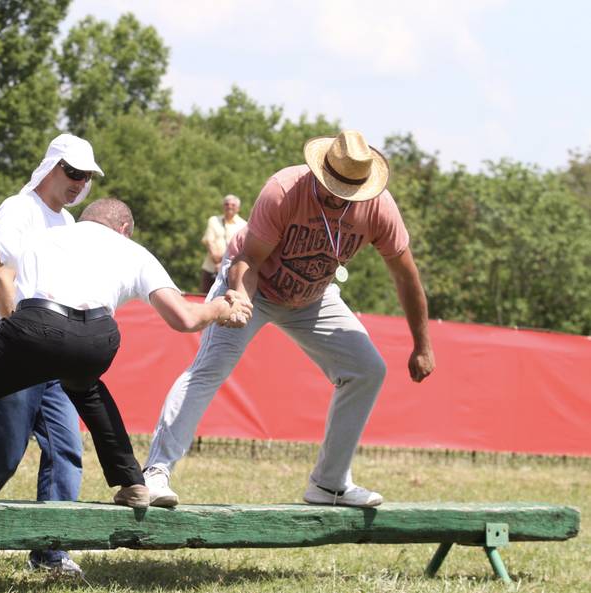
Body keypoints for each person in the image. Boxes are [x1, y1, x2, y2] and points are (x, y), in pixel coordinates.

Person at [0, 198, 252, 514]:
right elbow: (185, 319)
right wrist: (222, 308)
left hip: (37, 328)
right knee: (87, 388)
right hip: (99, 339)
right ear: (124, 229)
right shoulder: (135, 252)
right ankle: (132, 483)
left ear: (84, 220)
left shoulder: (46, 236)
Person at [143, 130, 436, 509]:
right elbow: (249, 259)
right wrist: (240, 301)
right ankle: (155, 474)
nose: (338, 197)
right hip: (254, 285)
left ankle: (330, 484)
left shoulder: (379, 208)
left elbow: (406, 276)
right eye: (333, 187)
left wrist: (422, 344)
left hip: (314, 296)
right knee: (209, 368)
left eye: (349, 191)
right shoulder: (284, 189)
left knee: (368, 369)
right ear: (320, 172)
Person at [0, 133, 100, 576]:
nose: (78, 183)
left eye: (86, 176)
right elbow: (2, 275)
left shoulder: (69, 224)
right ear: (52, 166)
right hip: (12, 353)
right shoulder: (17, 209)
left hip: (54, 358)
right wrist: (21, 338)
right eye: (72, 172)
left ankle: (50, 551)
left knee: (67, 449)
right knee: (3, 456)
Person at [199, 194, 246, 292]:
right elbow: (209, 242)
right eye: (227, 204)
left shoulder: (244, 225)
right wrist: (218, 262)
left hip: (231, 272)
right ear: (223, 206)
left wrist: (223, 263)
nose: (229, 206)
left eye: (233, 205)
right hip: (210, 268)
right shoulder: (213, 220)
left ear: (238, 208)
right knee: (204, 298)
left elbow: (242, 249)